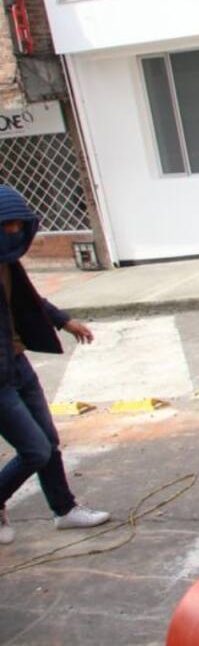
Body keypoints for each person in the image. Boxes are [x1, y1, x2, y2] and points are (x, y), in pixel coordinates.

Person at [0, 185, 110, 545]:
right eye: (9, 227)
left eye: (19, 226)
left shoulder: (9, 263)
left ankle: (64, 510)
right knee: (35, 450)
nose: (16, 233)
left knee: (49, 442)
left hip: (18, 366)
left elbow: (33, 300)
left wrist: (64, 322)